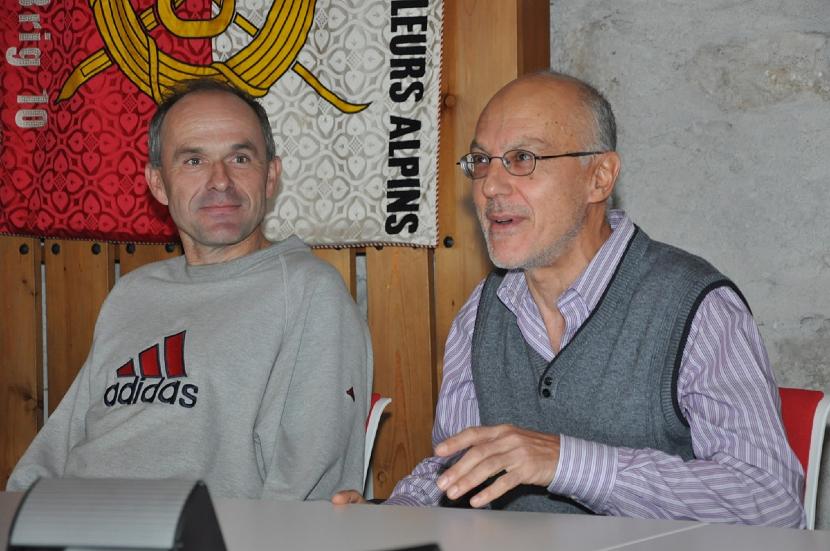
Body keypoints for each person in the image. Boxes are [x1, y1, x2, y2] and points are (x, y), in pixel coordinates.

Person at [333, 70, 805, 527]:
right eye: (481, 161)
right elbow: (458, 465)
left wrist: (566, 462)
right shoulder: (481, 311)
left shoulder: (696, 307)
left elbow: (772, 503)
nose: (490, 186)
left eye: (522, 158)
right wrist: (394, 514)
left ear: (599, 177)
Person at [7, 79, 372, 501]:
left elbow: (306, 492)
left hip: (202, 529)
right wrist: (16, 514)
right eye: (194, 161)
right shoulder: (132, 293)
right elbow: (56, 448)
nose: (220, 181)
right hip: (69, 520)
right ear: (158, 184)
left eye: (240, 158)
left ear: (271, 176)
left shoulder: (310, 292)